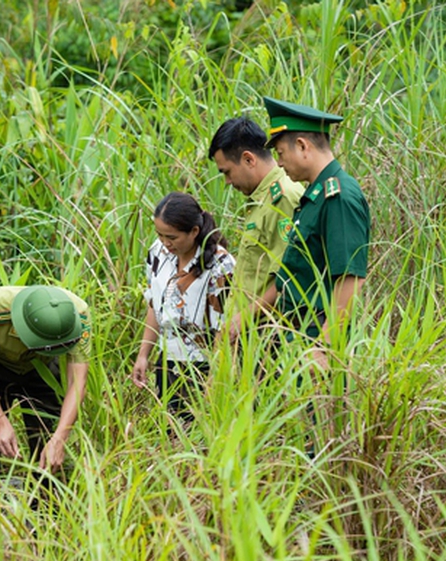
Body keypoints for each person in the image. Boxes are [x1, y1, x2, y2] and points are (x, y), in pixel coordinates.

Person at [249, 97, 370, 367]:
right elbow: (292, 275)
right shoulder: (314, 197)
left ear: (302, 146)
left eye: (280, 153)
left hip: (316, 340)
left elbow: (350, 277)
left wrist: (324, 347)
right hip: (297, 338)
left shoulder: (338, 196)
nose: (278, 163)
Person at [0, 285, 90, 473]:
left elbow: (77, 383)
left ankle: (46, 496)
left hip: (42, 369)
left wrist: (61, 436)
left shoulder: (78, 315)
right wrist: (1, 423)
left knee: (46, 440)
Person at [130, 192, 236, 421]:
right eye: (160, 235)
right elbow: (154, 305)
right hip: (167, 361)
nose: (166, 243)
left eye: (172, 237)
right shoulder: (157, 253)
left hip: (203, 365)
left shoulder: (219, 264)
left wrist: (215, 378)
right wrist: (143, 354)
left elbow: (224, 326)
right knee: (169, 434)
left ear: (194, 232)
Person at [208, 117, 304, 308]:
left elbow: (287, 278)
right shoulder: (261, 199)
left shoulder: (283, 198)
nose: (227, 182)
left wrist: (240, 322)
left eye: (227, 172)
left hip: (266, 329)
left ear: (248, 159)